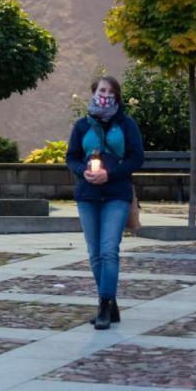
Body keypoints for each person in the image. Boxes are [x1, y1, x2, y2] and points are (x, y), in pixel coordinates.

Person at [65, 76, 144, 330]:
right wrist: (83, 171)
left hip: (117, 194)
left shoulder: (126, 124)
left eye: (110, 91)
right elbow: (71, 157)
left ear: (117, 96)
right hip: (87, 195)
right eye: (101, 90)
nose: (105, 94)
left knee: (109, 249)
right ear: (93, 92)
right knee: (94, 253)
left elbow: (136, 158)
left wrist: (110, 174)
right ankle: (111, 303)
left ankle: (103, 305)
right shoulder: (82, 126)